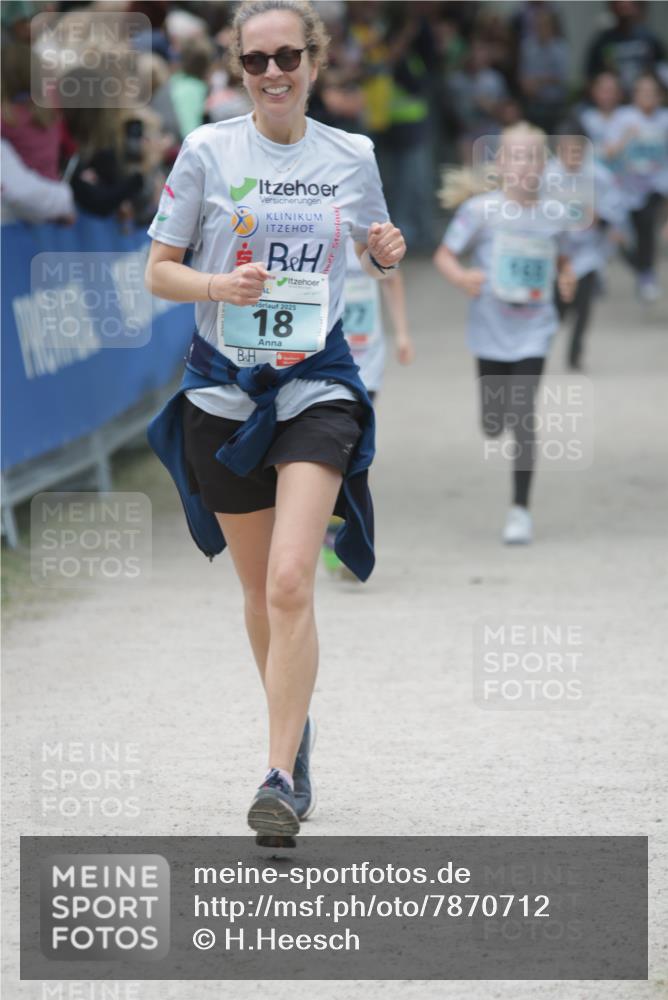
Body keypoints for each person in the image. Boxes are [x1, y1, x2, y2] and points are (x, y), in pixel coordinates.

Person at [143, 0, 405, 842]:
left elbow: (371, 242)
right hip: (221, 391)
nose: (273, 74)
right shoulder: (208, 150)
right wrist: (221, 288)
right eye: (256, 61)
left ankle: (278, 774)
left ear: (314, 60)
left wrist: (385, 250)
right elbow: (159, 272)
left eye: (287, 56)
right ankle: (298, 733)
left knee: (294, 577)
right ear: (239, 70)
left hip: (314, 385)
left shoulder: (351, 153)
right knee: (259, 591)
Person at [433, 122, 576, 545]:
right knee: (494, 422)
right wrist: (462, 278)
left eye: (533, 156)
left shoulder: (555, 214)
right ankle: (496, 423)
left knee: (523, 415)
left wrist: (567, 279)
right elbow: (444, 254)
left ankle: (520, 510)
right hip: (489, 330)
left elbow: (564, 260)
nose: (525, 165)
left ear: (544, 164)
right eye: (515, 156)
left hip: (535, 328)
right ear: (500, 164)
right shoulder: (480, 212)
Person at [322, 235, 414, 574]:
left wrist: (402, 333)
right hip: (328, 362)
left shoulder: (370, 234)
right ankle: (333, 527)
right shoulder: (315, 234)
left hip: (368, 361)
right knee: (331, 452)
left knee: (356, 452)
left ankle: (350, 532)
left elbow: (394, 279)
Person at [552, 125, 627, 370]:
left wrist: (601, 218)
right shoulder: (544, 176)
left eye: (577, 150)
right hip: (555, 255)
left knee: (583, 309)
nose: (571, 156)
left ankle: (575, 355)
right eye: (566, 150)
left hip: (587, 254)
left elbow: (616, 207)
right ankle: (538, 347)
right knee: (558, 308)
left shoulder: (599, 176)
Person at [605, 72, 668, 302]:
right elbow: (608, 152)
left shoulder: (665, 120)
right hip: (624, 188)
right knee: (622, 240)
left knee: (647, 228)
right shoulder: (623, 118)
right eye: (642, 92)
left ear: (660, 96)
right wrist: (626, 138)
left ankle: (647, 276)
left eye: (652, 93)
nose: (647, 97)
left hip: (655, 187)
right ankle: (639, 268)